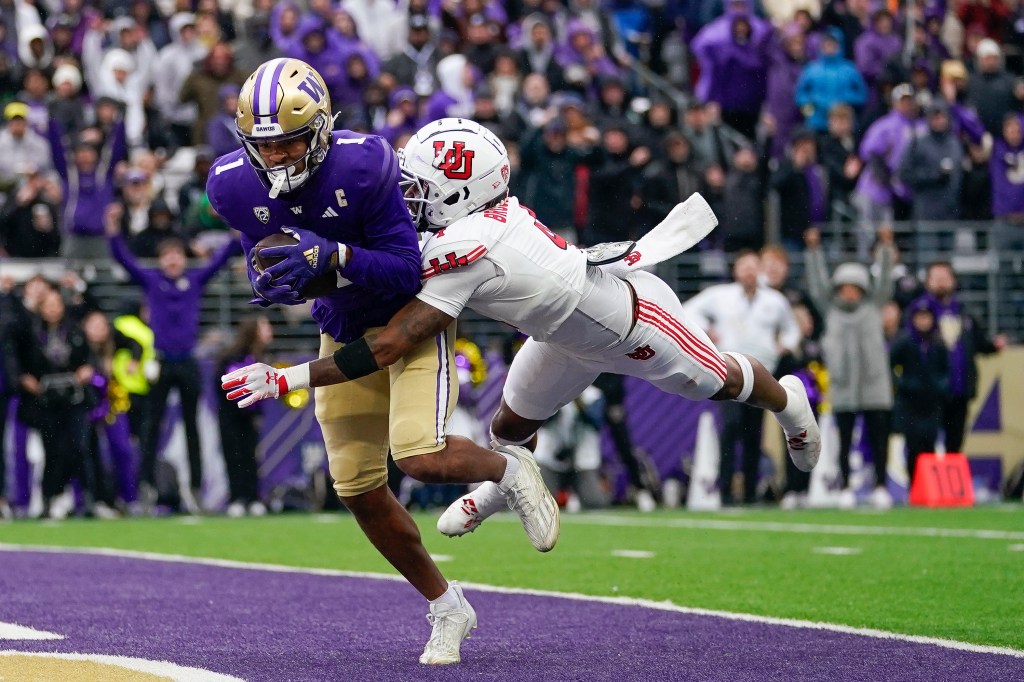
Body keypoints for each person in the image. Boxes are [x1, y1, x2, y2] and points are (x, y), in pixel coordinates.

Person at [222, 118, 821, 539]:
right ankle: (500, 489)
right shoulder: (470, 223)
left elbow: (390, 340)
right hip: (562, 336)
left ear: (460, 192)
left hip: (630, 320)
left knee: (716, 381)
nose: (404, 196)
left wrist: (295, 362)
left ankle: (789, 400)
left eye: (418, 189)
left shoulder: (469, 245)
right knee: (508, 428)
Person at [207, 60, 557, 666]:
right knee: (358, 489)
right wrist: (277, 281)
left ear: (320, 128)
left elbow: (407, 268)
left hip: (410, 316)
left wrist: (335, 256)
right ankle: (448, 606)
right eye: (264, 146)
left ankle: (509, 469)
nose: (279, 157)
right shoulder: (232, 183)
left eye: (291, 140)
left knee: (418, 456)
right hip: (341, 328)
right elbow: (258, 250)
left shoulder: (364, 163)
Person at [106, 209, 240, 515]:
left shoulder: (194, 279)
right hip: (161, 363)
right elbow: (123, 259)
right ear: (161, 260)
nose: (172, 260)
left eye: (177, 255)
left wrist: (236, 228)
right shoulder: (152, 281)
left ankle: (194, 490)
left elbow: (222, 260)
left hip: (188, 362)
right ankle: (146, 490)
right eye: (166, 256)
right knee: (151, 427)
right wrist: (113, 229)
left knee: (193, 427)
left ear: (183, 257)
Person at [683, 251, 801, 504]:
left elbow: (792, 328)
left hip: (762, 376)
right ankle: (725, 491)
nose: (748, 271)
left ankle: (748, 492)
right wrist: (706, 331)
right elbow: (687, 310)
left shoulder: (774, 300)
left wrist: (785, 345)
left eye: (753, 267)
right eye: (743, 266)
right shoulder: (720, 296)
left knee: (753, 433)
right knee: (731, 429)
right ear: (736, 271)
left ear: (759, 270)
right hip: (729, 374)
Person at [804, 226, 895, 509]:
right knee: (843, 440)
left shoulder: (874, 306)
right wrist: (813, 251)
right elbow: (816, 283)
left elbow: (886, 282)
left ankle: (881, 486)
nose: (850, 292)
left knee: (880, 439)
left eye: (855, 287)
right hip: (843, 386)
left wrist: (886, 248)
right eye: (844, 287)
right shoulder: (829, 309)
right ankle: (845, 487)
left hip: (875, 385)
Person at [912, 262, 1007, 454]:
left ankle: (949, 480)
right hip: (929, 391)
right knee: (926, 441)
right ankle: (926, 481)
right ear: (927, 282)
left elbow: (978, 343)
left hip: (960, 388)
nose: (941, 283)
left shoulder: (964, 312)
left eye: (944, 278)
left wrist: (993, 346)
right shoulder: (919, 311)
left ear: (954, 281)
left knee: (955, 440)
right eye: (936, 278)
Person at [216, 315, 273, 517]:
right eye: (265, 326)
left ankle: (253, 497)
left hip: (250, 417)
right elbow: (223, 386)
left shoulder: (260, 356)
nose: (270, 331)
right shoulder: (232, 357)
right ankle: (237, 498)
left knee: (251, 456)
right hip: (231, 417)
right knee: (234, 456)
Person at [890, 299, 950, 487]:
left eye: (927, 317)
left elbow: (947, 369)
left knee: (930, 444)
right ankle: (914, 486)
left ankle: (930, 486)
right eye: (920, 317)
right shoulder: (905, 341)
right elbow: (889, 365)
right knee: (913, 445)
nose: (923, 321)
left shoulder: (938, 343)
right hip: (910, 403)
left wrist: (940, 386)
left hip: (932, 403)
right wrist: (903, 384)